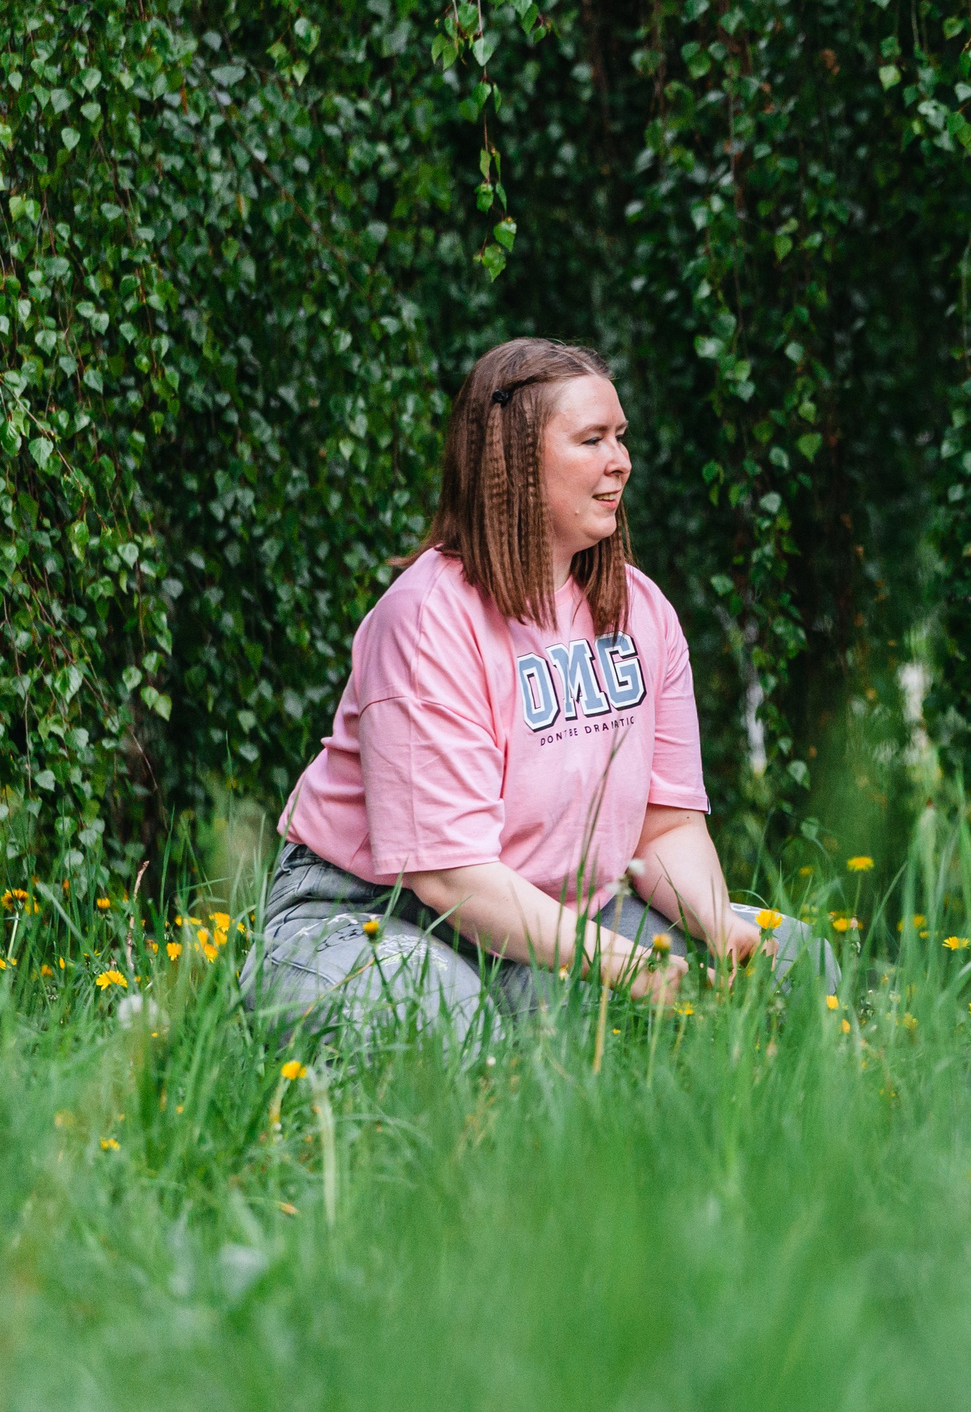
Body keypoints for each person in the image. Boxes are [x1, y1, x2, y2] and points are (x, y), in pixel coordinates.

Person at [245, 338, 826, 1039]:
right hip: (372, 910)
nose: (621, 461)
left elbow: (665, 825)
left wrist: (716, 924)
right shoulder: (428, 619)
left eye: (621, 437)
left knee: (795, 960)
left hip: (557, 913)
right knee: (438, 1016)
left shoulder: (642, 611)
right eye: (592, 440)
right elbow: (451, 878)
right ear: (514, 463)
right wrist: (627, 964)